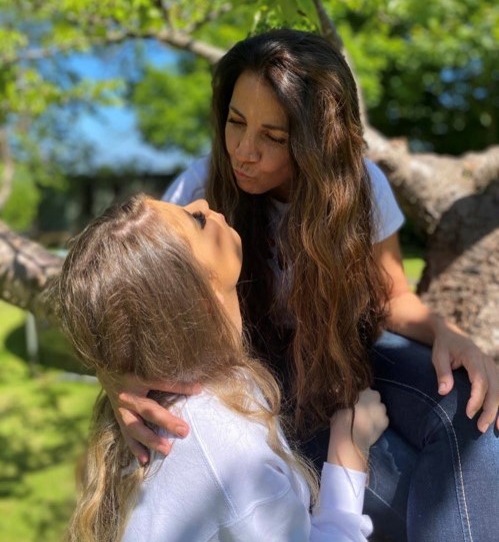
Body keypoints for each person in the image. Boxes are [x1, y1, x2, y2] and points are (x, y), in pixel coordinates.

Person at [107, 30, 499, 541]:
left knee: (470, 408)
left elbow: (390, 296)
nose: (245, 151)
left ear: (319, 138)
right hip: (265, 377)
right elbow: (131, 288)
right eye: (235, 122)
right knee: (402, 497)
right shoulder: (199, 194)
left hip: (350, 349)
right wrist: (116, 376)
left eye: (274, 136)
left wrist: (447, 332)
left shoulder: (361, 186)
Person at [54, 193, 389, 542]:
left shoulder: (175, 399)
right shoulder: (225, 450)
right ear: (198, 297)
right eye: (195, 220)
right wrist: (348, 451)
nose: (201, 202)